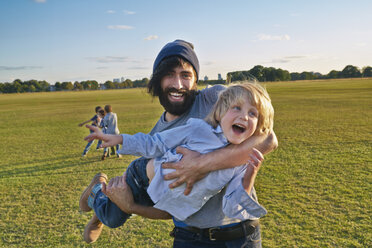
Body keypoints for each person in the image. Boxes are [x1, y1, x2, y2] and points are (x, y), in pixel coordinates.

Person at [79, 40, 277, 246]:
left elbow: (269, 138)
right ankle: (99, 199)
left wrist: (201, 164)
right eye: (169, 74)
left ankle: (100, 207)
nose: (178, 84)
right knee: (115, 213)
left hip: (242, 236)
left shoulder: (214, 99)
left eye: (186, 75)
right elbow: (169, 208)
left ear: (195, 81)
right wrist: (130, 207)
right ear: (157, 80)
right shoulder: (156, 136)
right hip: (188, 237)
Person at [84, 82, 273, 223]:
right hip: (141, 178)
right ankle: (97, 190)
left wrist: (249, 177)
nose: (244, 116)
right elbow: (155, 143)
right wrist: (120, 139)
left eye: (253, 114)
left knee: (118, 214)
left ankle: (101, 204)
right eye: (237, 108)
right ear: (220, 112)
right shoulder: (198, 129)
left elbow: (232, 207)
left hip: (167, 200)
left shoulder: (239, 163)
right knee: (113, 219)